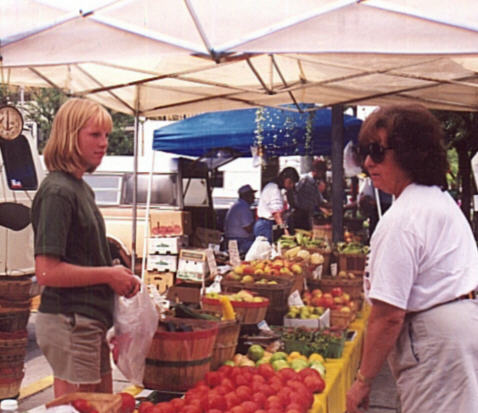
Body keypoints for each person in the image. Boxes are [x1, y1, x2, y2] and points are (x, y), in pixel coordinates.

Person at [346, 104, 478, 413]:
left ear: (409, 153)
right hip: (455, 330)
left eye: (377, 152)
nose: (367, 162)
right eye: (366, 151)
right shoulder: (438, 201)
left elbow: (388, 314)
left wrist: (363, 380)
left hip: (434, 341)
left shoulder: (403, 219)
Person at [31, 98, 141, 397]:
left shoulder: (80, 188)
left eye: (106, 135)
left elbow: (81, 255)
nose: (104, 143)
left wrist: (114, 269)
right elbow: (47, 272)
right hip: (70, 321)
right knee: (82, 404)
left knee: (102, 401)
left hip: (88, 322)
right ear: (70, 136)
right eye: (95, 135)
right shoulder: (57, 191)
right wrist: (108, 274)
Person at [254, 166, 299, 243]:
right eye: (291, 182)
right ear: (285, 179)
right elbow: (276, 214)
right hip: (266, 225)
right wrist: (284, 230)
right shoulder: (274, 189)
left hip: (270, 224)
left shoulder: (278, 189)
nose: (291, 186)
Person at [224, 184, 257, 255]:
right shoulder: (243, 207)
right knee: (260, 246)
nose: (254, 197)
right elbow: (248, 228)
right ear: (246, 196)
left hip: (233, 239)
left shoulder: (238, 205)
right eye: (252, 195)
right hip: (239, 241)